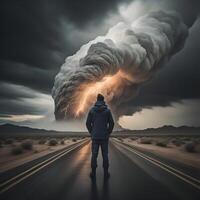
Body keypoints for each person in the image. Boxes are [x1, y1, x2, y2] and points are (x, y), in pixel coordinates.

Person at [86, 93, 114, 179]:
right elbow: (112, 123)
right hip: (104, 137)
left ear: (97, 100)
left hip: (95, 137)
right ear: (103, 100)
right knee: (105, 155)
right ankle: (106, 173)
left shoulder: (91, 110)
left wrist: (92, 132)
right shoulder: (107, 111)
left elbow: (87, 123)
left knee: (94, 155)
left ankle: (93, 173)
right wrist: (107, 133)